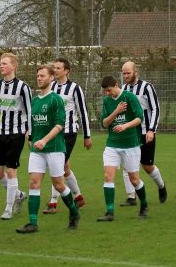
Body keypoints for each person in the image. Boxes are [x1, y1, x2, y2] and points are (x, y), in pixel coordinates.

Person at [16, 64, 81, 233]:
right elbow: (33, 123)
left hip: (54, 148)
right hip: (37, 150)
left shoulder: (56, 99)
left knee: (59, 184)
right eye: (38, 75)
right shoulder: (35, 101)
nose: (39, 78)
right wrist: (30, 137)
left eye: (42, 75)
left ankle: (74, 212)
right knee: (34, 182)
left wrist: (44, 140)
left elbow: (60, 125)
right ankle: (33, 223)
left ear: (51, 78)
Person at [97, 75, 147, 221]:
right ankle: (110, 212)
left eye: (109, 90)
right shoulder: (107, 101)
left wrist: (125, 126)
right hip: (112, 144)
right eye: (105, 91)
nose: (108, 93)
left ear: (116, 84)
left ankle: (144, 205)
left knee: (134, 180)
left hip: (131, 145)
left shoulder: (129, 97)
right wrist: (116, 111)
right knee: (108, 176)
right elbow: (105, 123)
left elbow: (140, 118)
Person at [0, 52, 31, 220]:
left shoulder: (23, 87)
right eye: (0, 63)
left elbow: (29, 111)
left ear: (13, 66)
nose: (1, 66)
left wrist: (30, 133)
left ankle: (8, 208)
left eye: (5, 63)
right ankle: (19, 195)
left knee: (11, 171)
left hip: (16, 134)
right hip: (0, 134)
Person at [45, 57, 90, 212]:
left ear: (66, 71)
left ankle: (53, 203)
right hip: (54, 133)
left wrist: (87, 136)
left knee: (57, 166)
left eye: (58, 68)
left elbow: (83, 112)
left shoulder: (75, 88)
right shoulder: (50, 87)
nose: (55, 70)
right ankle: (78, 197)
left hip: (69, 132)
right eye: (54, 68)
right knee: (64, 167)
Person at [122, 60, 168, 205]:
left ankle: (161, 186)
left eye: (128, 73)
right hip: (130, 134)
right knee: (126, 164)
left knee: (147, 166)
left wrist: (151, 130)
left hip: (145, 132)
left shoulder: (147, 87)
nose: (126, 76)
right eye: (123, 73)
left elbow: (155, 108)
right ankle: (131, 197)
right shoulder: (123, 89)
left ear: (136, 72)